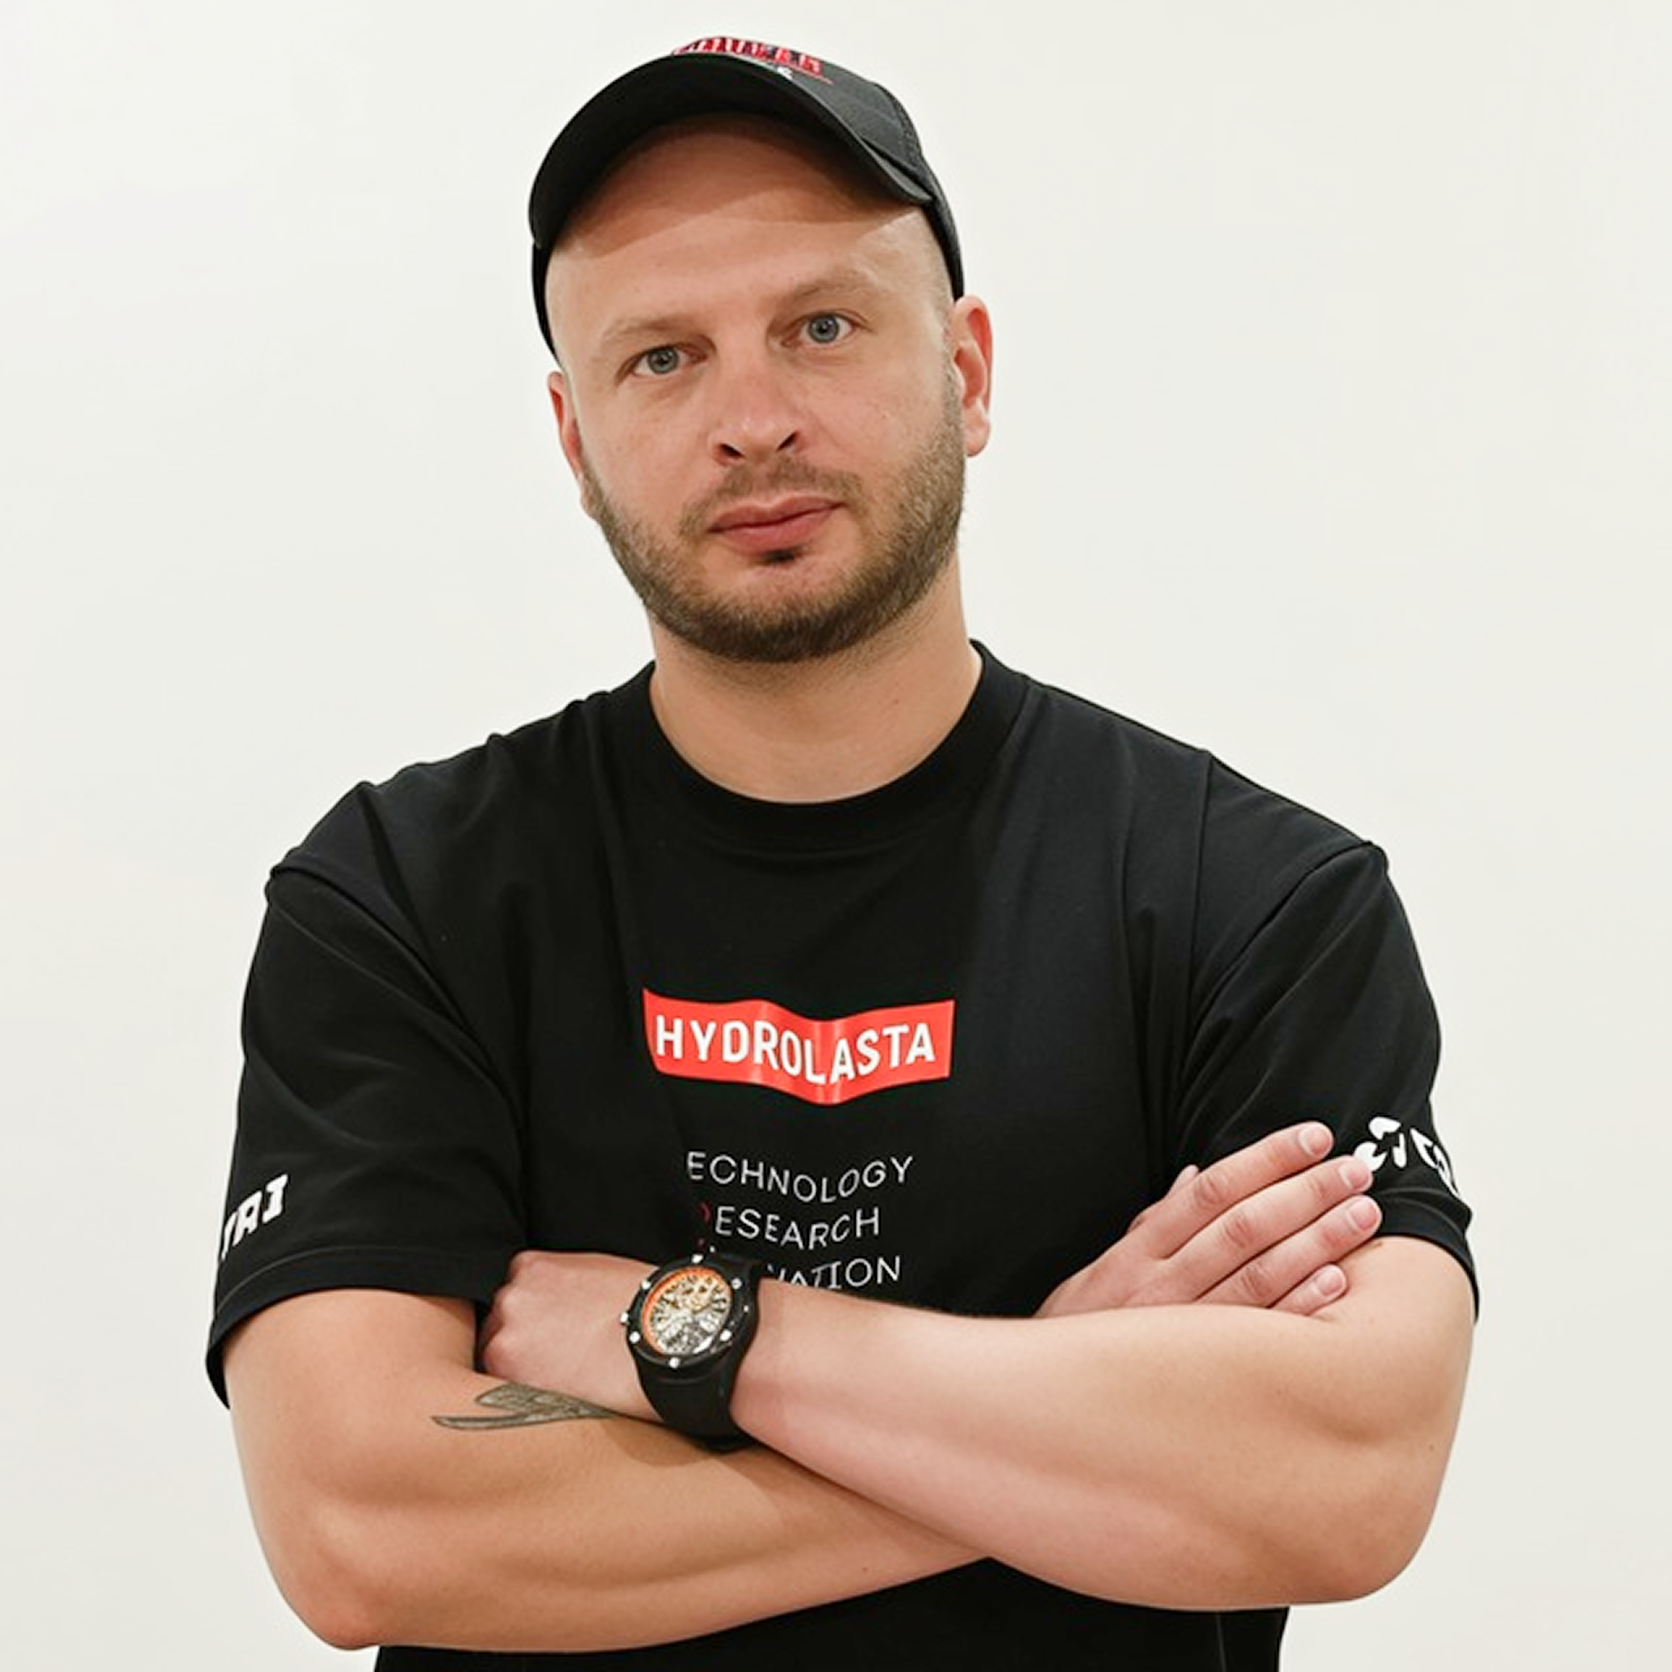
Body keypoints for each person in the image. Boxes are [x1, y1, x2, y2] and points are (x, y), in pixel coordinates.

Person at [208, 37, 1476, 1671]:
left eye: (821, 326)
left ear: (968, 370)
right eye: (662, 357)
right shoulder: (406, 896)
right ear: (575, 440)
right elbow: (365, 1526)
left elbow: (1347, 1476)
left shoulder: (1261, 904)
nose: (751, 421)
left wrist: (699, 1336)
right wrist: (1057, 1393)